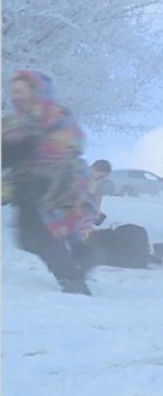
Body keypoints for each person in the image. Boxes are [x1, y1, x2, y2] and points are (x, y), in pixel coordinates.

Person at [2, 70, 96, 294]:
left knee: (40, 235)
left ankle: (73, 279)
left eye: (21, 90)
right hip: (24, 185)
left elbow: (72, 143)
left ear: (37, 91)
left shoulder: (57, 115)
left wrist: (31, 144)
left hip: (56, 183)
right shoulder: (13, 122)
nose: (16, 96)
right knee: (26, 238)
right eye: (13, 91)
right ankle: (80, 259)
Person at [89, 159, 111, 225]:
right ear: (94, 169)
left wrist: (97, 212)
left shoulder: (99, 184)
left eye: (105, 177)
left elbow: (97, 200)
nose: (102, 178)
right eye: (102, 176)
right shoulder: (78, 178)